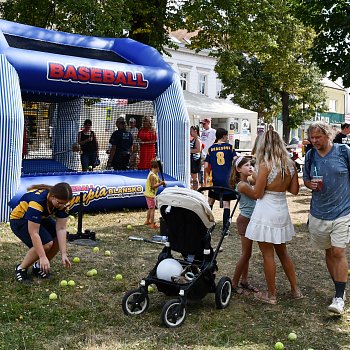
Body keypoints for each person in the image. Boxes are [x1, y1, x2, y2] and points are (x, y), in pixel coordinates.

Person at [245, 130, 302, 305]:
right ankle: (295, 290)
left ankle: (271, 295)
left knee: (267, 255)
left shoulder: (265, 165)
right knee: (283, 252)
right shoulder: (290, 164)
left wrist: (249, 180)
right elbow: (294, 190)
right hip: (281, 209)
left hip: (266, 211)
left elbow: (257, 194)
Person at [303, 121, 350, 314]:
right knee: (329, 252)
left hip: (343, 211)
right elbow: (305, 178)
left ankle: (338, 297)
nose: (314, 141)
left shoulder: (343, 151)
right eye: (311, 137)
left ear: (327, 135)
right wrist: (309, 184)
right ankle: (340, 286)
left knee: (338, 252)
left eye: (318, 137)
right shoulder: (310, 155)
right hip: (319, 212)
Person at [10, 182, 73, 284]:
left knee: (58, 237)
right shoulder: (37, 203)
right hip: (19, 220)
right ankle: (21, 268)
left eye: (65, 203)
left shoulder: (63, 203)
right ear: (52, 197)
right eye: (60, 203)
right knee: (46, 244)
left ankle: (39, 266)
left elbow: (61, 229)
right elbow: (34, 233)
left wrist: (64, 254)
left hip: (40, 218)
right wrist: (42, 256)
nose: (63, 206)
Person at [229, 156, 258, 295]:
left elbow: (257, 180)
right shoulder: (242, 185)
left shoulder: (247, 181)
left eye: (251, 165)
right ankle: (234, 283)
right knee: (245, 254)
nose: (250, 167)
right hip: (245, 220)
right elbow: (257, 195)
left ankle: (244, 281)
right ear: (238, 169)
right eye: (246, 165)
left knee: (248, 254)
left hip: (250, 219)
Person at [205, 128, 237, 229]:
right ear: (223, 136)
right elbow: (236, 161)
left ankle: (207, 224)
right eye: (226, 136)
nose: (227, 138)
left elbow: (206, 166)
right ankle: (225, 228)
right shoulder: (230, 148)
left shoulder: (210, 149)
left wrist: (210, 173)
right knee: (227, 203)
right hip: (227, 179)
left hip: (215, 179)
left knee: (211, 200)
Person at [144, 159, 166, 229]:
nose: (160, 170)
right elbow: (153, 186)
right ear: (157, 168)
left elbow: (159, 180)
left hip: (150, 194)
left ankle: (147, 221)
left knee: (150, 209)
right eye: (160, 168)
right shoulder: (152, 176)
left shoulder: (155, 174)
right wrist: (161, 183)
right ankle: (152, 224)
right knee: (152, 209)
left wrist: (162, 182)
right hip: (150, 195)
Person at [200, 118, 216, 185]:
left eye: (204, 124)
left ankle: (210, 182)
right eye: (202, 124)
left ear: (208, 123)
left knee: (209, 168)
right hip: (203, 152)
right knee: (203, 168)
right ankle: (204, 183)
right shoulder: (203, 132)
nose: (203, 125)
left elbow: (214, 141)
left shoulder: (213, 131)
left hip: (210, 152)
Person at [190, 125, 202, 190]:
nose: (190, 132)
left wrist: (189, 151)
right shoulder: (194, 139)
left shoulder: (197, 140)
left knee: (195, 177)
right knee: (193, 176)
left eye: (191, 131)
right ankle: (194, 189)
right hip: (193, 160)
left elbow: (198, 150)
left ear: (195, 131)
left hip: (195, 161)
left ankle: (196, 189)